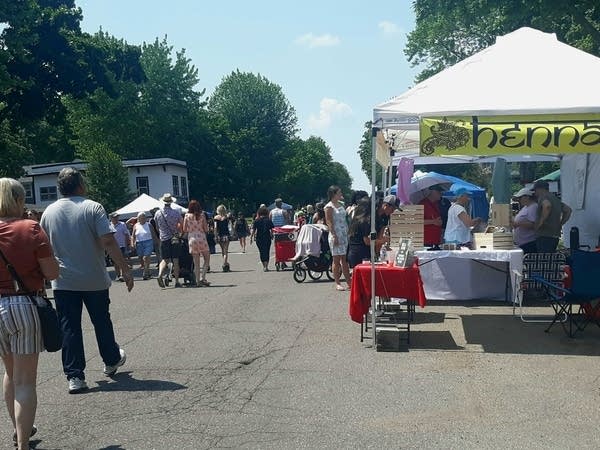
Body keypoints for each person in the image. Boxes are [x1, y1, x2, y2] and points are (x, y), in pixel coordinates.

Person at [40, 167, 132, 394]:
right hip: (93, 277)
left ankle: (75, 376)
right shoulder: (93, 207)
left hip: (63, 280)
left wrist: (42, 278)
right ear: (80, 184)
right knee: (101, 321)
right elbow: (109, 241)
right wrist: (125, 269)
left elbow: (43, 248)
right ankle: (111, 359)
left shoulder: (48, 212)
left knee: (69, 327)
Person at [0, 178, 59, 450]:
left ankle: (17, 428)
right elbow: (51, 273)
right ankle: (23, 444)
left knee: (10, 373)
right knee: (26, 381)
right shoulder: (31, 228)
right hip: (24, 304)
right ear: (19, 199)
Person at [347, 196, 397, 268]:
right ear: (386, 205)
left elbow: (380, 235)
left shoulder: (385, 217)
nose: (393, 211)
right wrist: (382, 241)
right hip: (358, 250)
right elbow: (367, 241)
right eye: (393, 209)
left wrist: (378, 253)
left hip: (369, 251)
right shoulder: (367, 219)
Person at [324, 185, 352, 291]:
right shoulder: (329, 206)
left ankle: (349, 282)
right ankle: (338, 282)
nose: (341, 194)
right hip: (335, 234)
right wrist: (334, 235)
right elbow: (329, 221)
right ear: (334, 194)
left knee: (344, 260)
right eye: (339, 192)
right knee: (336, 259)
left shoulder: (341, 204)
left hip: (344, 234)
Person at [533, 180, 572, 253]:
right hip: (555, 235)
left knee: (544, 260)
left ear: (539, 189)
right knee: (550, 259)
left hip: (544, 234)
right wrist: (560, 223)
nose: (535, 193)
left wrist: (541, 222)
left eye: (535, 190)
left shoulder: (543, 197)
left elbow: (547, 206)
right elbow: (568, 210)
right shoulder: (555, 199)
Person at [154, 193, 184, 288]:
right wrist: (180, 234)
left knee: (164, 259)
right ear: (171, 202)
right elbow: (181, 225)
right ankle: (176, 281)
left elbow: (157, 227)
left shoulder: (158, 213)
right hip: (174, 238)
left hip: (163, 238)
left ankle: (160, 275)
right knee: (175, 260)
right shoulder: (176, 213)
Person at [183, 200, 211, 287]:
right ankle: (203, 277)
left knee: (196, 262)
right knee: (207, 259)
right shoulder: (202, 215)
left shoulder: (187, 216)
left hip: (192, 239)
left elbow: (184, 229)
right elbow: (206, 228)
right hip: (201, 238)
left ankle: (197, 281)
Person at [511, 188, 538, 254]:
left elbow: (534, 225)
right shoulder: (526, 207)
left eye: (520, 198)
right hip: (523, 243)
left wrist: (517, 224)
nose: (519, 200)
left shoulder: (533, 207)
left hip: (529, 243)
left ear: (527, 197)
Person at [131, 212, 155, 280]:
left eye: (144, 217)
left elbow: (153, 234)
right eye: (141, 218)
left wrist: (157, 242)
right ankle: (148, 271)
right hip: (139, 243)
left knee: (146, 257)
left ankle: (145, 273)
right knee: (141, 259)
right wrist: (132, 243)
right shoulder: (136, 225)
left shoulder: (149, 225)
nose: (143, 219)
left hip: (148, 241)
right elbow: (133, 236)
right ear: (138, 218)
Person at [109, 213, 131, 282]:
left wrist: (128, 244)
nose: (116, 218)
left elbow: (126, 234)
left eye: (117, 217)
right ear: (111, 218)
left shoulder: (122, 224)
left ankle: (122, 275)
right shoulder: (109, 225)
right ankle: (118, 275)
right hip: (112, 246)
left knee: (122, 260)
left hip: (122, 246)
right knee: (115, 262)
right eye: (114, 217)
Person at [251, 206, 274, 271]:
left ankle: (264, 265)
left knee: (261, 252)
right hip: (267, 237)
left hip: (259, 238)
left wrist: (251, 237)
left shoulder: (256, 221)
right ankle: (266, 266)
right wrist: (272, 235)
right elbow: (271, 229)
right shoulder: (269, 220)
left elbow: (254, 230)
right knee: (267, 251)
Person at [214, 204, 231, 272]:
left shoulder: (216, 218)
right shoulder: (227, 217)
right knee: (225, 251)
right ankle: (225, 264)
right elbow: (230, 226)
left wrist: (215, 235)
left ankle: (225, 263)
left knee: (222, 251)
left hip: (220, 235)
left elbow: (215, 227)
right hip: (226, 234)